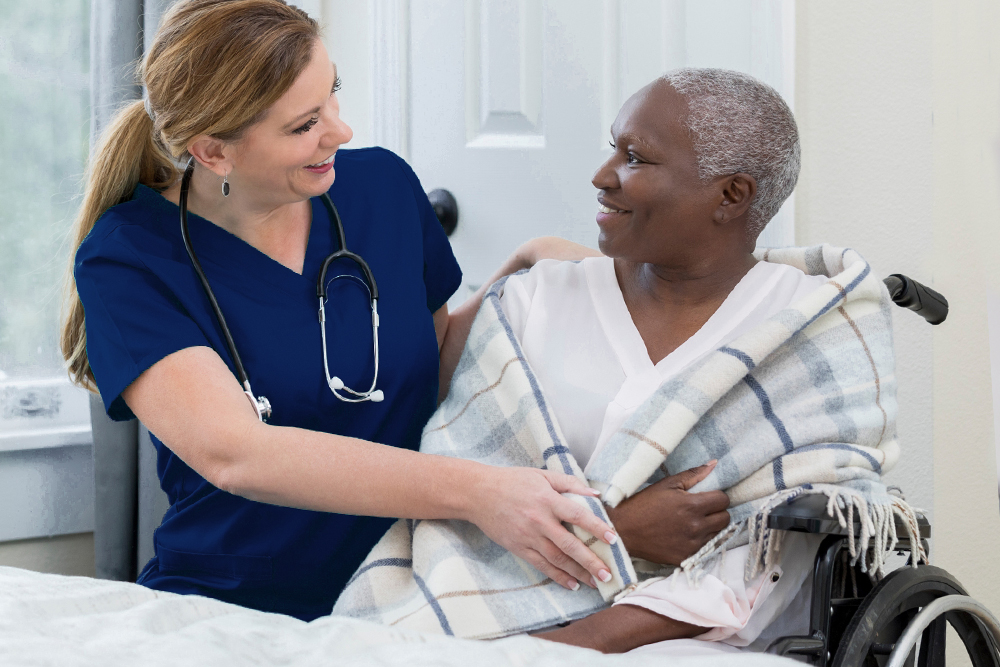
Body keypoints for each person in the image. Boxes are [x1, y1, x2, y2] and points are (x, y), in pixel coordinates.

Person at [61, 0, 726, 622]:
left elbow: (428, 366)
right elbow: (238, 453)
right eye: (305, 125)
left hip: (411, 594)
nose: (341, 131)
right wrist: (483, 491)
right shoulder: (129, 258)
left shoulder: (379, 185)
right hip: (236, 611)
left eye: (333, 95)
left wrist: (519, 279)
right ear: (213, 151)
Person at [501, 70, 825, 653]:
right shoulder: (537, 299)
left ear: (731, 196)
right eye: (613, 148)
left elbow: (783, 553)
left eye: (636, 159)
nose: (602, 177)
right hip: (504, 602)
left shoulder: (806, 323)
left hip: (711, 637)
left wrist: (568, 646)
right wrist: (619, 532)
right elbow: (462, 480)